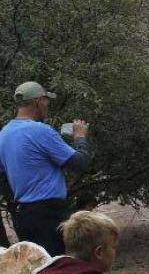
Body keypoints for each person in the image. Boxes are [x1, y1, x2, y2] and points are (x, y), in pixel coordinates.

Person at [0, 81, 90, 256]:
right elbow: (80, 163)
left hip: (23, 216)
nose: (47, 106)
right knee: (60, 268)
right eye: (46, 101)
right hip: (49, 214)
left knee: (41, 271)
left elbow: (1, 179)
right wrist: (80, 138)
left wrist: (23, 195)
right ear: (38, 101)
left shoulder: (3, 134)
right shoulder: (41, 131)